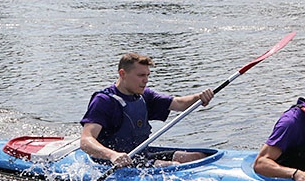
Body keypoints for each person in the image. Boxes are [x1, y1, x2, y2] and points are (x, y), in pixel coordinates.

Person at [80, 52, 215, 168]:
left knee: (197, 156)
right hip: (115, 162)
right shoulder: (104, 101)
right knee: (174, 166)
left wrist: (199, 97)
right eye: (140, 75)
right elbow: (86, 141)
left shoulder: (144, 95)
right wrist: (112, 155)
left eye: (147, 75)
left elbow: (179, 103)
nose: (145, 80)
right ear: (122, 74)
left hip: (140, 155)